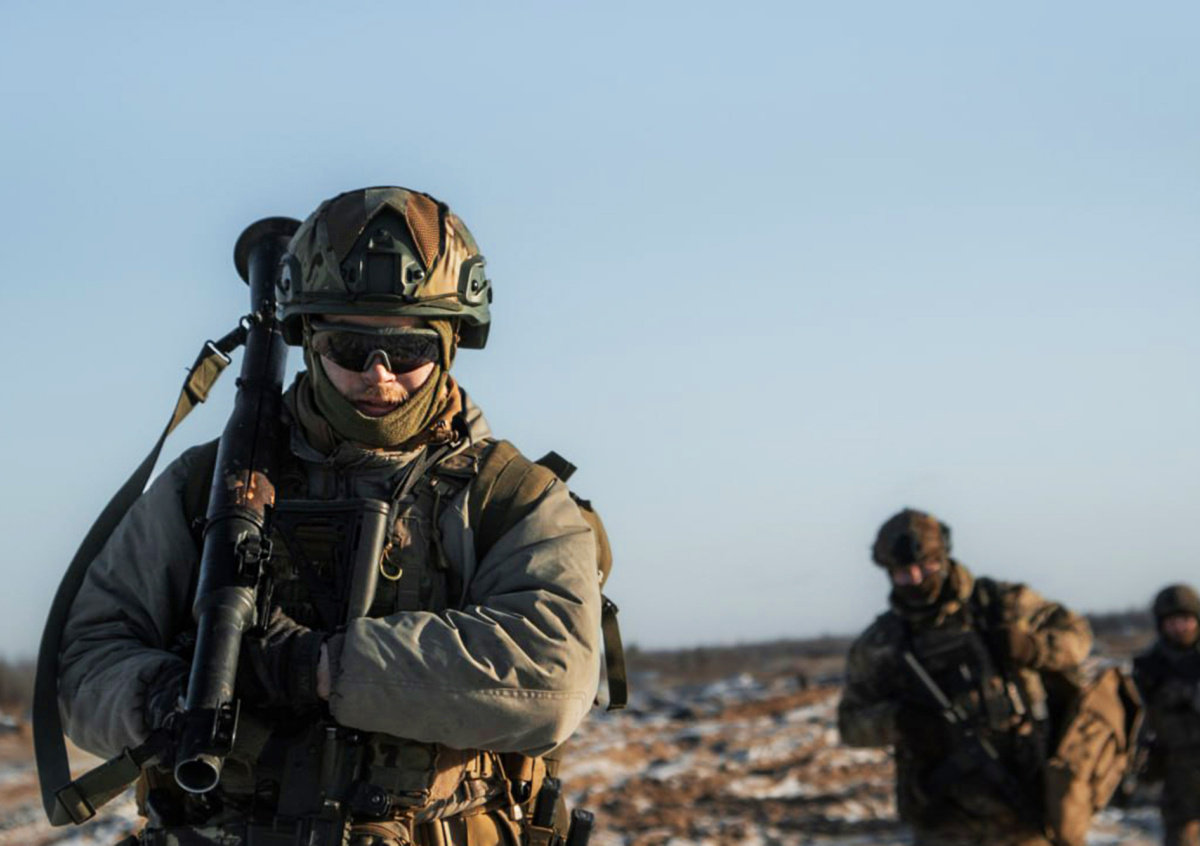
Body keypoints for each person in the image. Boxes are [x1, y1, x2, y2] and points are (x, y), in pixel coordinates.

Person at [57, 186, 603, 845]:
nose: (379, 376)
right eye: (349, 347)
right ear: (309, 340)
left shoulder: (510, 499)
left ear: (452, 343)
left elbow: (551, 679)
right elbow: (86, 662)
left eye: (409, 351)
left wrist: (316, 667)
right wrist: (173, 695)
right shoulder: (204, 487)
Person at [837, 508, 1094, 846]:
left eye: (925, 567)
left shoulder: (1002, 605)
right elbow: (849, 723)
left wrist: (1033, 648)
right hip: (943, 820)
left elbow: (1079, 638)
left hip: (1025, 806)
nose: (916, 579)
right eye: (902, 573)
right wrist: (898, 722)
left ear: (943, 558)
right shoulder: (882, 643)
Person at [1133, 584, 1200, 846]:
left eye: (1186, 620)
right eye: (1172, 621)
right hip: (1177, 774)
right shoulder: (1149, 667)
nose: (1180, 627)